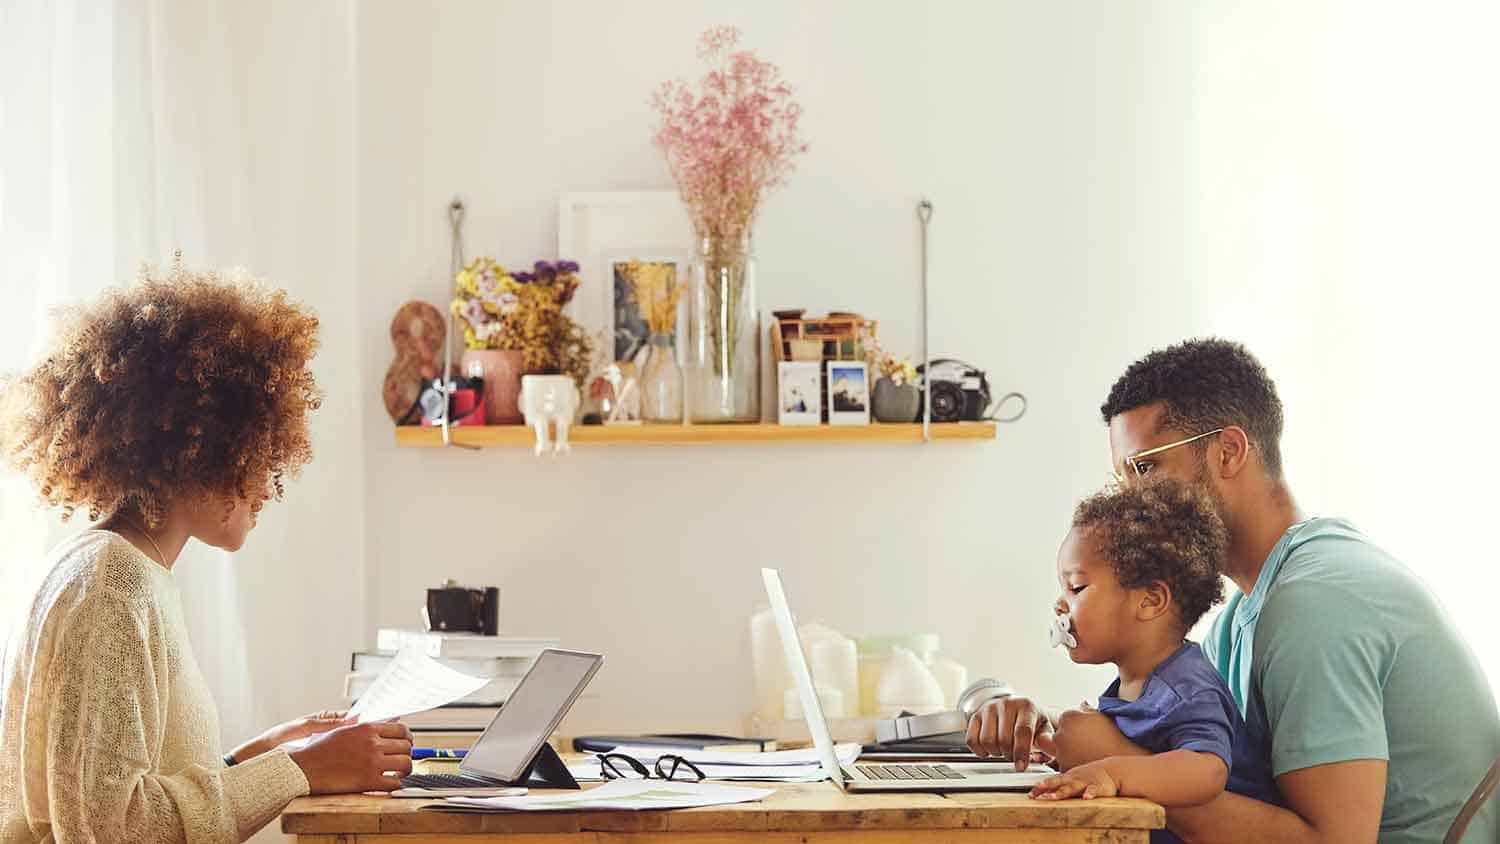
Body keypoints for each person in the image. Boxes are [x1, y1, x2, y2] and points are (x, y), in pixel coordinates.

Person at [968, 338, 1500, 843]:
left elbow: (1334, 841)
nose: (1130, 500)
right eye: (1122, 478)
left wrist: (1117, 762)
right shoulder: (1244, 613)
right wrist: (1055, 736)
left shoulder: (1316, 604)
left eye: (1146, 468)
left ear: (1227, 452)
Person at [0, 260, 413, 843]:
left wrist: (265, 755)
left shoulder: (124, 568)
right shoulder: (110, 585)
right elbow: (114, 831)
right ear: (202, 451)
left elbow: (124, 795)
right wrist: (299, 769)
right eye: (259, 451)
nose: (269, 477)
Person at [1023, 479, 1279, 843]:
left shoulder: (1186, 686)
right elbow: (1146, 754)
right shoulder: (1136, 682)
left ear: (1150, 601)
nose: (1059, 605)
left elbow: (1207, 770)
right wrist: (1055, 750)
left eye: (1076, 587)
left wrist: (1111, 772)